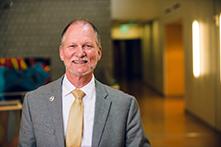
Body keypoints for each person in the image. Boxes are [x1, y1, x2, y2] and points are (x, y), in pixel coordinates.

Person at [19, 19, 151, 147]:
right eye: (72, 46)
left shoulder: (125, 105)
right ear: (61, 53)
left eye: (87, 46)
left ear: (99, 53)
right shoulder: (34, 101)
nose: (80, 53)